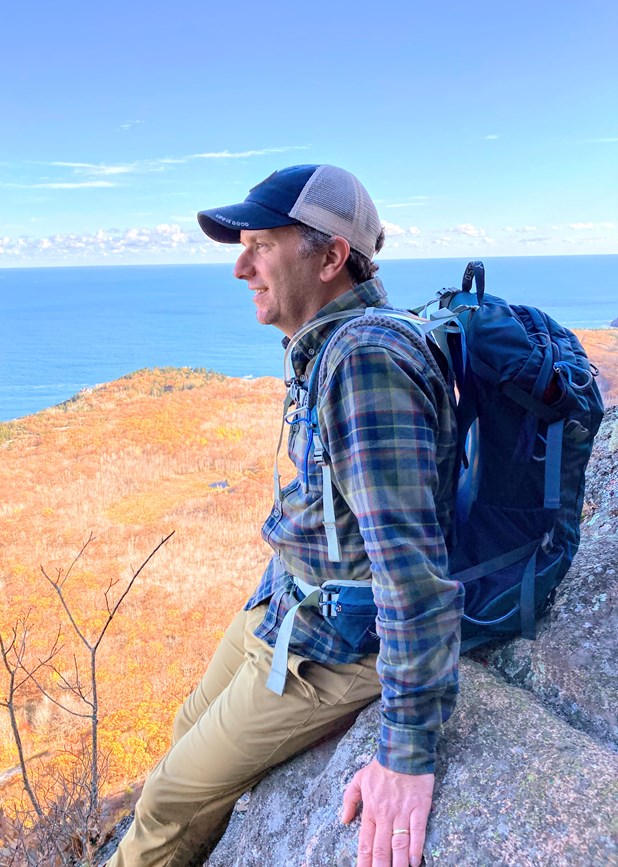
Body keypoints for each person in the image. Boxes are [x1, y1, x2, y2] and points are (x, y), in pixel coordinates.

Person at [107, 165, 463, 867]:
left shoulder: (364, 361)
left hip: (336, 643)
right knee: (183, 729)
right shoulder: (329, 344)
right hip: (286, 604)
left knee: (168, 799)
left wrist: (407, 751)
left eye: (261, 245)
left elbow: (410, 567)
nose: (241, 267)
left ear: (331, 257)